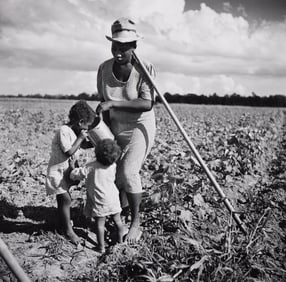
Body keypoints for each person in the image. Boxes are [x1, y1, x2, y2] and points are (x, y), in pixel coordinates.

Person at [96, 17, 156, 243]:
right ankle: (118, 216)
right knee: (114, 174)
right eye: (115, 47)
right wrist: (97, 124)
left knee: (129, 172)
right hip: (115, 127)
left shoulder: (144, 69)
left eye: (124, 48)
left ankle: (136, 222)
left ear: (135, 47)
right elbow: (102, 100)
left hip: (140, 127)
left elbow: (146, 103)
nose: (118, 52)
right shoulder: (103, 69)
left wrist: (114, 103)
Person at [45, 100, 95, 245]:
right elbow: (68, 151)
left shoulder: (73, 131)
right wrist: (80, 138)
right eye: (88, 125)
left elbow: (83, 145)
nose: (88, 129)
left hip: (65, 171)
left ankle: (63, 224)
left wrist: (93, 141)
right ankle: (68, 231)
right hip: (57, 172)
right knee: (65, 199)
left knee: (64, 199)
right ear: (80, 122)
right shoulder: (63, 131)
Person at [70, 138, 124, 253]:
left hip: (100, 200)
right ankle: (120, 243)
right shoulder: (113, 165)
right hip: (113, 197)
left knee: (100, 224)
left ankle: (101, 247)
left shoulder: (91, 166)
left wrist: (72, 169)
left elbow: (79, 174)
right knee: (118, 221)